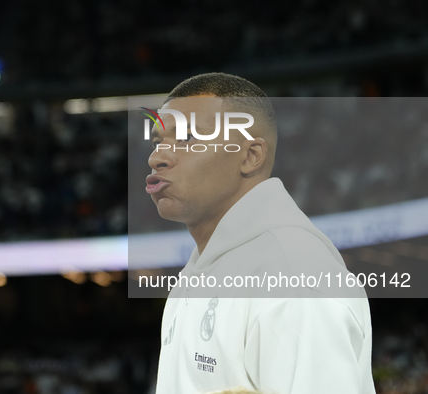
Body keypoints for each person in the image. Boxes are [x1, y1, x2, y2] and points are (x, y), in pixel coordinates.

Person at [146, 73, 375, 394]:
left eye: (185, 138)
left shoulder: (294, 274)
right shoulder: (201, 270)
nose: (156, 158)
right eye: (157, 142)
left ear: (250, 156)